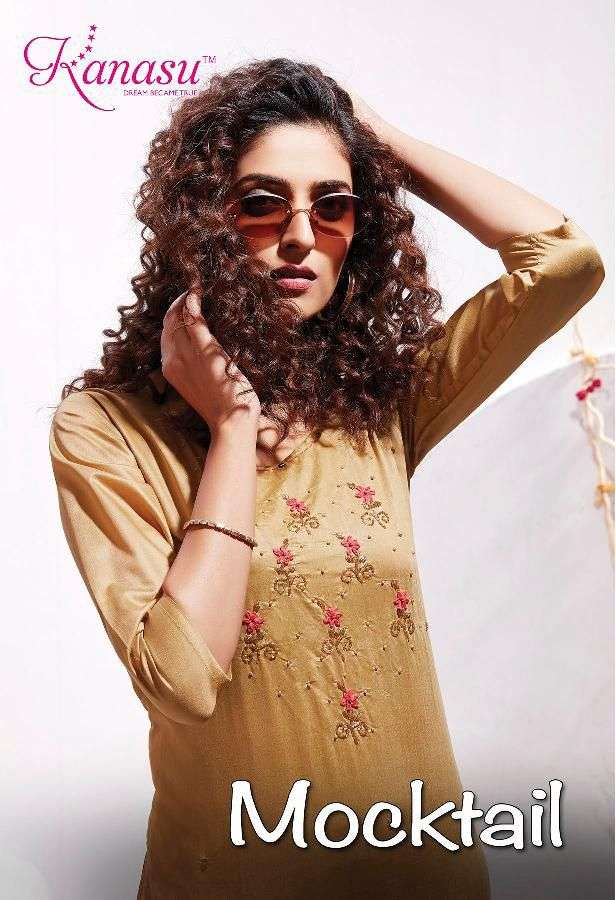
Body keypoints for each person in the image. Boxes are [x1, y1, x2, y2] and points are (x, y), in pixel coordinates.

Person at [48, 57, 605, 900]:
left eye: (333, 206)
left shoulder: (380, 406)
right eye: (262, 203)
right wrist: (232, 428)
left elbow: (564, 262)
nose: (301, 235)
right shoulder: (108, 431)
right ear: (201, 223)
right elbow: (184, 682)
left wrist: (377, 141)